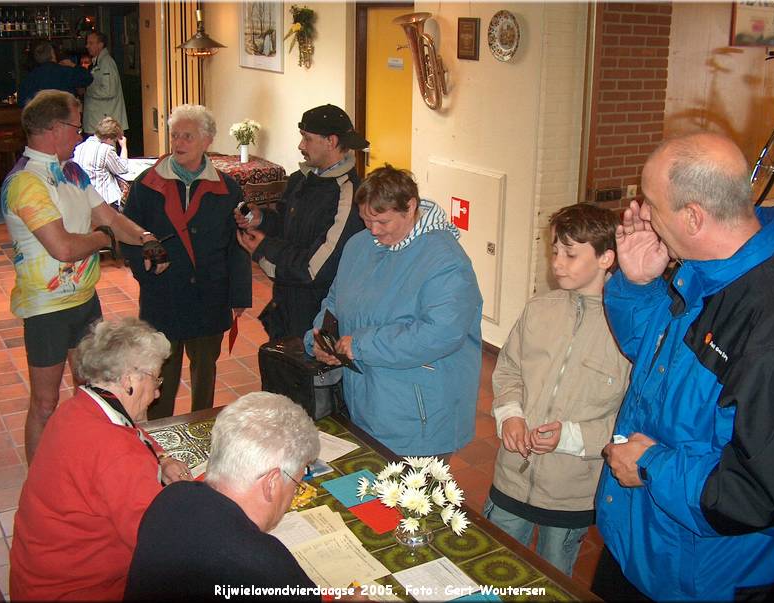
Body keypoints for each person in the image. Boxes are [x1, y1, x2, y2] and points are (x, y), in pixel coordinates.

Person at [594, 132, 774, 600]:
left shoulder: (765, 322)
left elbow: (757, 494)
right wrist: (636, 284)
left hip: (701, 579)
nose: (643, 216)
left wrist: (651, 466)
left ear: (693, 216)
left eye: (651, 204)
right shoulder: (705, 267)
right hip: (641, 544)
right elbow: (656, 360)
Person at [0, 89, 170, 464]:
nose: (80, 136)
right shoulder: (26, 181)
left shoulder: (71, 170)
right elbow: (62, 247)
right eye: (76, 128)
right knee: (45, 403)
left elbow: (109, 217)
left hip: (84, 302)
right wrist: (107, 239)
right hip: (46, 309)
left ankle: (88, 465)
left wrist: (146, 238)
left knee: (92, 394)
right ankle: (41, 481)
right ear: (54, 128)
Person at [483, 204, 630, 577]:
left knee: (552, 579)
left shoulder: (629, 331)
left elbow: (631, 418)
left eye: (570, 253)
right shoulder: (539, 308)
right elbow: (509, 370)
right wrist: (510, 415)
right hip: (512, 479)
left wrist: (571, 437)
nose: (557, 263)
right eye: (554, 251)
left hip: (573, 492)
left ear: (606, 258)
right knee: (490, 570)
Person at [9, 318, 192, 601]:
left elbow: (132, 431)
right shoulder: (119, 455)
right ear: (129, 381)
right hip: (79, 592)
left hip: (33, 578)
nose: (158, 391)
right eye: (156, 378)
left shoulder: (76, 409)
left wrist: (163, 457)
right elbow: (160, 549)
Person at [307, 165, 482, 457]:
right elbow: (335, 301)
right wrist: (321, 339)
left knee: (413, 501)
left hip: (419, 415)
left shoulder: (446, 260)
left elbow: (441, 333)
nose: (373, 231)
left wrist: (361, 345)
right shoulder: (359, 244)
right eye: (366, 220)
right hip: (366, 401)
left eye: (383, 221)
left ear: (410, 207)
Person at [121, 104, 251, 420]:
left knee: (205, 371)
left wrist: (239, 296)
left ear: (206, 140)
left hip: (210, 295)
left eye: (187, 136)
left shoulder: (227, 188)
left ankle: (202, 426)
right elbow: (126, 234)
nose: (178, 142)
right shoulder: (147, 185)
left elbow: (238, 245)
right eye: (175, 135)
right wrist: (146, 267)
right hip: (163, 295)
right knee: (159, 375)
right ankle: (161, 434)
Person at [124, 392, 320, 601]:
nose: (292, 495)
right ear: (271, 483)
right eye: (295, 482)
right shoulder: (266, 566)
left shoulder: (171, 498)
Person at [236, 104, 366, 339]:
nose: (300, 146)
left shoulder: (350, 196)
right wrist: (262, 219)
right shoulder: (300, 180)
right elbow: (288, 228)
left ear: (331, 141)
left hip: (317, 322)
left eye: (307, 138)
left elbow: (314, 269)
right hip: (286, 310)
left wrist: (264, 247)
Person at [73, 116, 128, 210]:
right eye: (114, 141)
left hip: (82, 199)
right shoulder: (106, 150)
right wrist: (123, 147)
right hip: (104, 201)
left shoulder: (79, 148)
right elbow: (122, 168)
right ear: (109, 138)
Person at [17, 40, 93, 107]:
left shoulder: (31, 77)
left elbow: (21, 102)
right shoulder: (65, 71)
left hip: (41, 118)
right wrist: (73, 65)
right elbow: (87, 78)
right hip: (64, 116)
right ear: (53, 54)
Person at [82, 31, 128, 135]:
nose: (87, 46)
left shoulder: (107, 63)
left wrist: (87, 90)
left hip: (104, 119)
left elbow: (109, 91)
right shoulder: (97, 62)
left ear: (100, 45)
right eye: (87, 43)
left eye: (91, 43)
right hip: (98, 119)